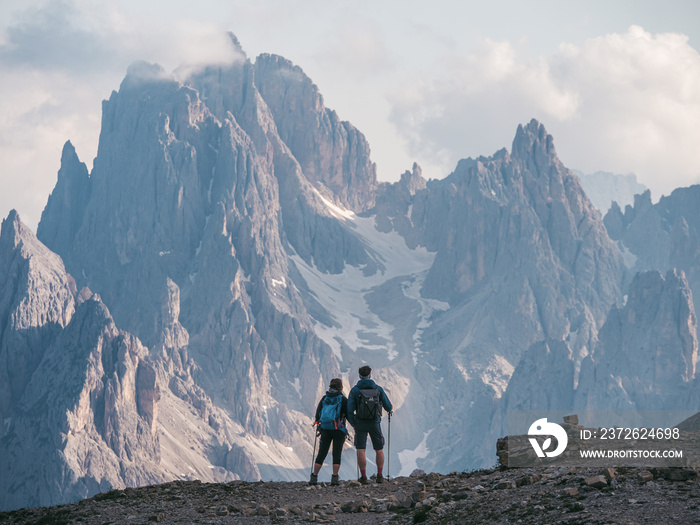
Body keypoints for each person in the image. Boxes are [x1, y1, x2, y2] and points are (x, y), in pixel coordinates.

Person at [347, 365, 392, 484]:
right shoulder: (378, 389)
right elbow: (388, 406)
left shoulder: (355, 390)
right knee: (379, 449)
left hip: (360, 423)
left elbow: (349, 410)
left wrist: (353, 423)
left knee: (361, 450)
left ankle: (363, 477)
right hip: (375, 423)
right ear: (370, 375)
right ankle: (380, 475)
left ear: (360, 376)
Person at [310, 378, 348, 486]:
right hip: (339, 430)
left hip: (325, 429)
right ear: (340, 387)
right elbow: (348, 415)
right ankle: (334, 479)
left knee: (322, 453)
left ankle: (314, 477)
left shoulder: (324, 398)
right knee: (336, 453)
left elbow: (318, 415)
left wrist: (319, 426)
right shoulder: (343, 400)